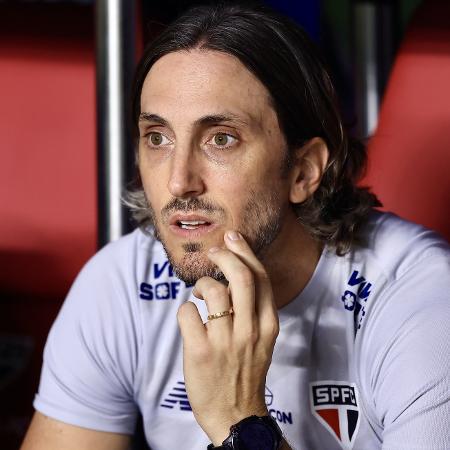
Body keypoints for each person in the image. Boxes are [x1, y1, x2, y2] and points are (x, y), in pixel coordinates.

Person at [21, 2, 450, 450]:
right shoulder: (123, 282)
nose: (178, 181)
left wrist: (240, 419)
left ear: (303, 171)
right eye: (158, 138)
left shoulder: (420, 303)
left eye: (220, 139)